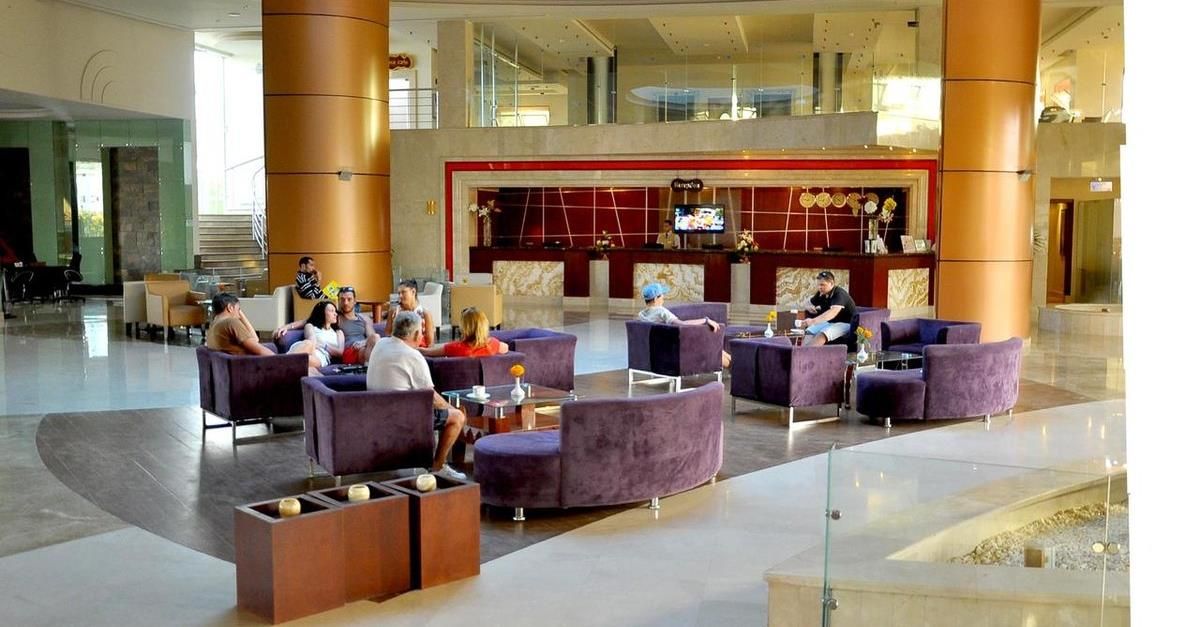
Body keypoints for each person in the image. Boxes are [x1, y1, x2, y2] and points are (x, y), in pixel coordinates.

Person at [367, 310, 467, 480]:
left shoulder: (381, 344)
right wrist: (454, 409)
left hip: (375, 413)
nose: (422, 334)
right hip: (402, 419)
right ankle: (438, 467)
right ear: (414, 334)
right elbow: (431, 398)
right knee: (457, 417)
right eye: (421, 331)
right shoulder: (412, 355)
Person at [206, 293, 323, 373]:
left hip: (242, 368)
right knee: (312, 357)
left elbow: (254, 339)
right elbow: (259, 349)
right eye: (238, 309)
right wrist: (281, 361)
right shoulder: (230, 323)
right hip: (256, 368)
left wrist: (240, 314)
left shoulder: (214, 326)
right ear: (230, 308)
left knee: (311, 365)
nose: (239, 313)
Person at [273, 286, 379, 364]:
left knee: (376, 338)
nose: (345, 302)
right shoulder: (336, 317)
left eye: (349, 299)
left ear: (355, 301)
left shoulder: (364, 319)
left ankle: (370, 371)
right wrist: (286, 327)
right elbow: (308, 320)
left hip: (364, 347)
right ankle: (368, 372)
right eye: (342, 299)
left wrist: (364, 342)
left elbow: (372, 336)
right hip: (350, 351)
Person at [638, 282, 731, 368]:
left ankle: (735, 365)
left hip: (660, 351)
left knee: (712, 347)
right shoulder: (662, 312)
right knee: (710, 347)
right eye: (662, 295)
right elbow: (682, 324)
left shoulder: (641, 315)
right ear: (655, 299)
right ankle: (736, 368)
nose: (663, 297)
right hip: (676, 352)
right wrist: (706, 320)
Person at [798, 270, 857, 347]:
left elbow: (833, 312)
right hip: (831, 322)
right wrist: (809, 307)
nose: (820, 287)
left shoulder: (839, 294)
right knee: (809, 331)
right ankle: (803, 351)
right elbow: (807, 303)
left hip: (846, 323)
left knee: (822, 334)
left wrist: (813, 321)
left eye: (822, 285)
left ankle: (808, 353)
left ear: (831, 283)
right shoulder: (822, 292)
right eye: (818, 285)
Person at [420, 307, 509, 357]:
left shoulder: (453, 347)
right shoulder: (494, 344)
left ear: (463, 327)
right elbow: (506, 348)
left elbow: (427, 352)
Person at [290, 301, 343, 369]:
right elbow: (311, 340)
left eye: (335, 311)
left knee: (303, 359)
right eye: (331, 311)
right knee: (308, 343)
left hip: (321, 357)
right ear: (322, 313)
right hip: (304, 348)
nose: (335, 314)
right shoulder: (311, 326)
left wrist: (324, 346)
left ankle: (281, 361)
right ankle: (283, 362)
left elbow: (340, 352)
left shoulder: (338, 332)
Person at [384, 279, 436, 348]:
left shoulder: (425, 314)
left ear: (413, 292)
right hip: (397, 349)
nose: (400, 296)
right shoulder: (394, 311)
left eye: (403, 292)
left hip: (418, 351)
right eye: (399, 293)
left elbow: (430, 343)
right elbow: (387, 334)